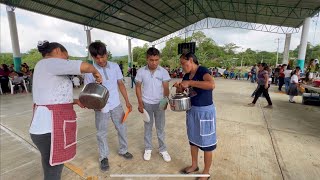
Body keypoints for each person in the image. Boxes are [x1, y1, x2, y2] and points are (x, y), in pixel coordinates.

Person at [29, 40, 102, 180]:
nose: (66, 61)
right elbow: (85, 66)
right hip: (49, 129)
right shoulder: (50, 63)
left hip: (45, 127)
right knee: (53, 170)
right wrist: (95, 72)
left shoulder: (44, 66)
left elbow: (49, 96)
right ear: (57, 51)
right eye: (66, 57)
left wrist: (75, 101)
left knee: (51, 165)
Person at [84, 42, 133, 171]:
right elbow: (88, 91)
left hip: (116, 104)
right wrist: (95, 105)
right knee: (101, 133)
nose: (100, 60)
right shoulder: (89, 71)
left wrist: (127, 101)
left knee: (122, 128)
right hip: (101, 106)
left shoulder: (115, 66)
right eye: (97, 58)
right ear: (93, 57)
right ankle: (103, 157)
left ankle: (123, 150)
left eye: (102, 57)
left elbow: (120, 84)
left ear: (106, 54)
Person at [172, 53, 216, 180]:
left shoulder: (202, 70)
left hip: (205, 112)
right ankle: (194, 165)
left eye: (183, 63)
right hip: (192, 110)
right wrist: (180, 87)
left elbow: (211, 85)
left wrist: (190, 82)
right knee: (193, 140)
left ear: (191, 60)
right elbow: (185, 92)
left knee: (207, 143)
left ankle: (206, 172)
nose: (182, 66)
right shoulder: (186, 75)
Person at [135, 47, 171, 162]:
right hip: (146, 103)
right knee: (148, 127)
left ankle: (163, 149)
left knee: (160, 127)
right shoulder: (141, 71)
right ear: (147, 59)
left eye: (156, 60)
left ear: (159, 59)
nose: (154, 62)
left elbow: (166, 88)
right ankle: (148, 148)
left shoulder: (163, 72)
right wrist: (140, 103)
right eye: (151, 60)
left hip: (160, 103)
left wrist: (165, 101)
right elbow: (138, 87)